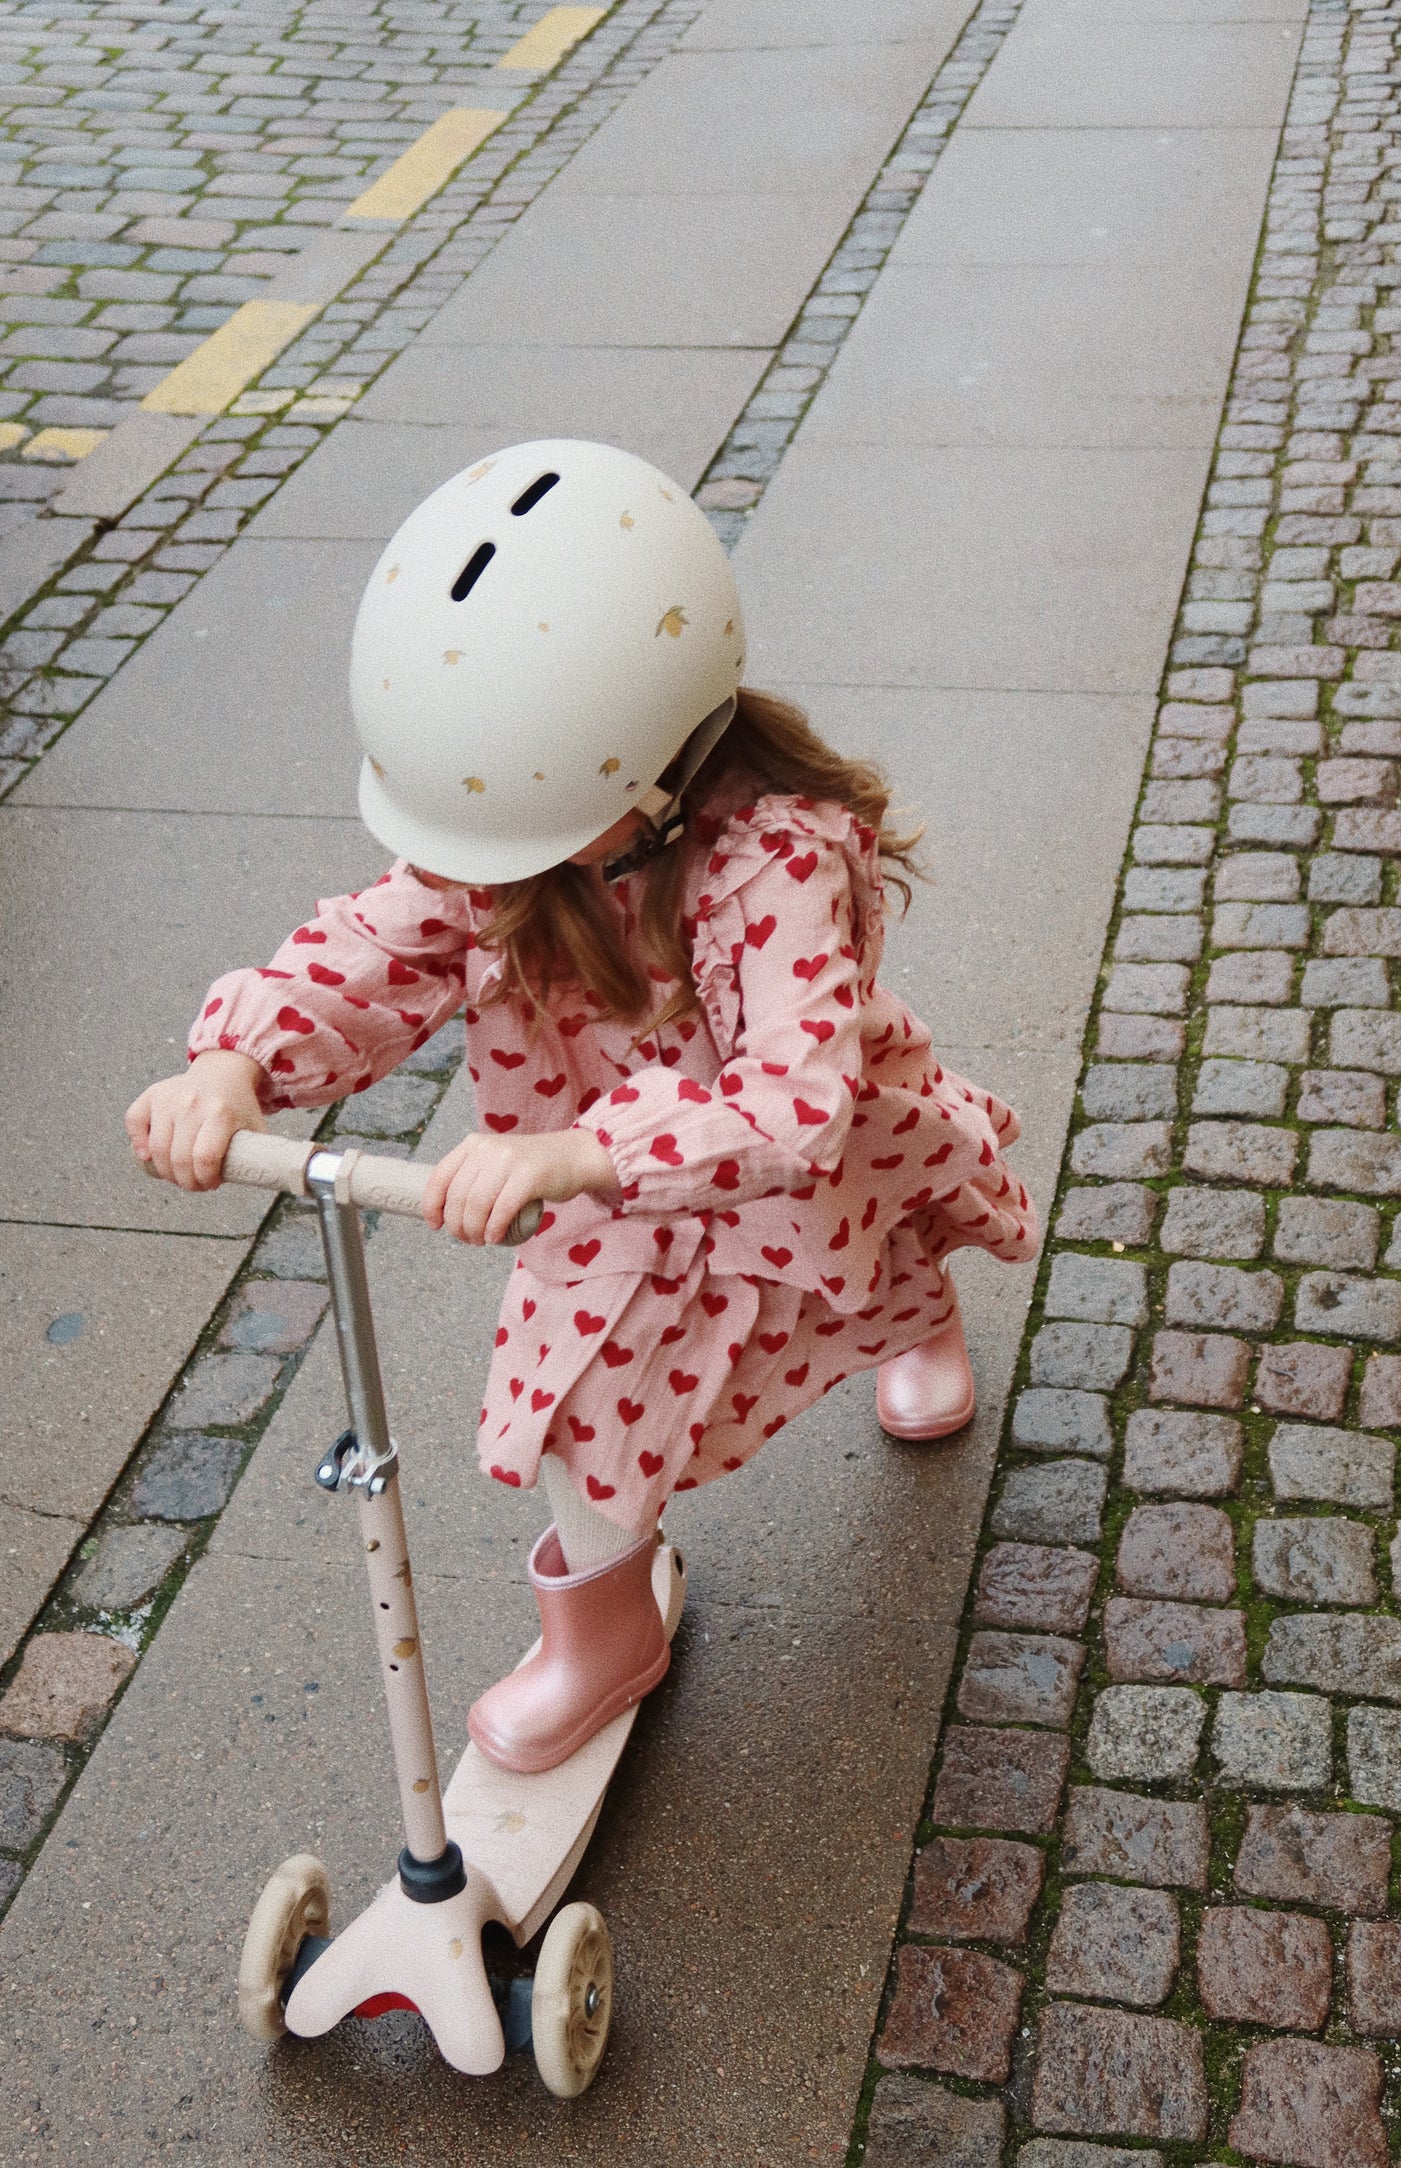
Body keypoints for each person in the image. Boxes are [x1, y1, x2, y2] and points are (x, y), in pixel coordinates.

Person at [126, 439, 1038, 1778]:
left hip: (758, 1148)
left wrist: (577, 1146)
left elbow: (796, 1105)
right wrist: (237, 1063)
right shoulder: (522, 832)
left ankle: (920, 1322)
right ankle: (604, 1632)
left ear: (653, 769)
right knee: (580, 1396)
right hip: (597, 1189)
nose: (475, 867)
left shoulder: (769, 856)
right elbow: (373, 943)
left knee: (880, 1236)